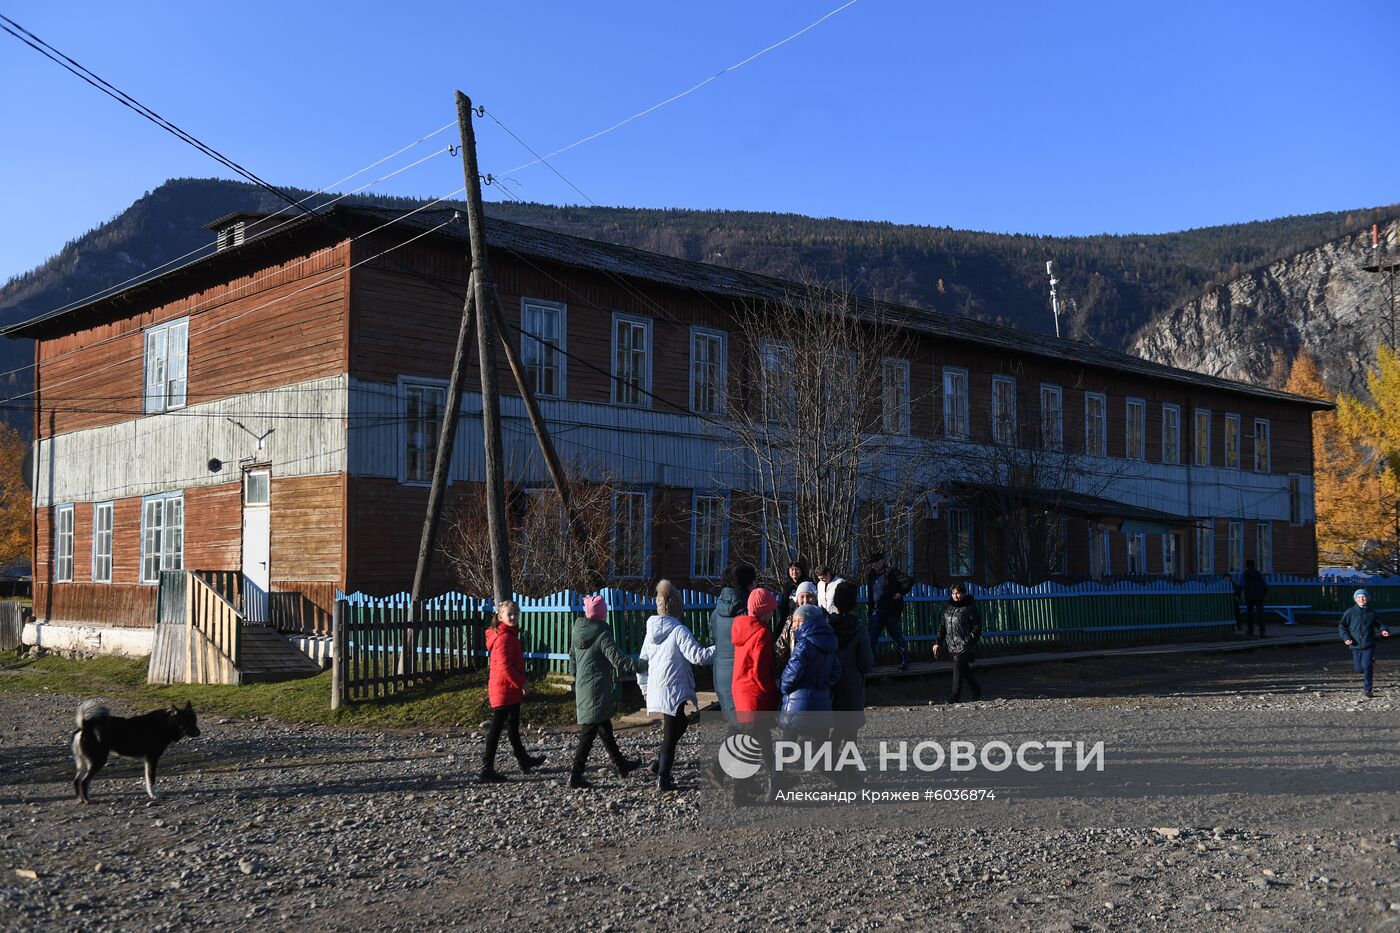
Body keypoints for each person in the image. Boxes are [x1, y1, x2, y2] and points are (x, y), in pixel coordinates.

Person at [638, 580, 716, 791]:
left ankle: (658, 762)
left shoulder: (651, 632)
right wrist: (723, 647)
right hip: (673, 688)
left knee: (679, 724)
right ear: (678, 608)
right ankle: (663, 777)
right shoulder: (678, 630)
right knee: (671, 735)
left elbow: (642, 662)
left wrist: (644, 687)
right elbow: (697, 656)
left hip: (657, 688)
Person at [568, 595, 646, 789]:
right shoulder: (602, 634)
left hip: (585, 686)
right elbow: (618, 660)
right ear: (603, 614)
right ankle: (576, 774)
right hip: (596, 688)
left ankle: (621, 765)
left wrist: (579, 678)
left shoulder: (578, 631)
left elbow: (572, 660)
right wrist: (644, 665)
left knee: (604, 727)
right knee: (589, 731)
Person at [480, 600, 546, 783]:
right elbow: (505, 667)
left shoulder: (509, 635)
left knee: (513, 728)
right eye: (509, 614)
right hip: (504, 689)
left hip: (508, 689)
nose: (513, 617)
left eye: (515, 614)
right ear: (500, 616)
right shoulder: (504, 638)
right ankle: (487, 768)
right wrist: (521, 684)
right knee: (496, 728)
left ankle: (524, 761)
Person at [778, 604, 842, 787]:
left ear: (809, 622)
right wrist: (822, 683)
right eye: (794, 621)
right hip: (820, 702)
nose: (795, 625)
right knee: (821, 748)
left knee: (786, 744)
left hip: (798, 703)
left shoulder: (804, 644)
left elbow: (792, 673)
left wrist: (784, 688)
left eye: (799, 621)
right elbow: (836, 671)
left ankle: (776, 782)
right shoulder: (828, 642)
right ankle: (847, 777)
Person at [706, 564, 757, 788]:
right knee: (749, 726)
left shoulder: (717, 611)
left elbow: (712, 638)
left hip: (722, 673)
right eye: (753, 582)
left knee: (738, 724)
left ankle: (719, 770)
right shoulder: (746, 610)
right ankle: (743, 782)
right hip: (741, 675)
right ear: (746, 584)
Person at [731, 587, 780, 804]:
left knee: (745, 744)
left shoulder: (740, 627)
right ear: (765, 612)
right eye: (771, 611)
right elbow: (761, 670)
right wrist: (773, 692)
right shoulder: (762, 633)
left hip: (740, 691)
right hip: (755, 694)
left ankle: (740, 792)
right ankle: (774, 789)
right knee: (765, 745)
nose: (773, 615)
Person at [828, 580, 873, 782]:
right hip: (851, 682)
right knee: (849, 731)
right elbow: (867, 661)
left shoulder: (827, 624)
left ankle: (828, 763)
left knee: (836, 727)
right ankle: (849, 770)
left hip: (829, 682)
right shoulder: (858, 627)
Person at [934, 582, 983, 704]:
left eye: (958, 593)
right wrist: (937, 642)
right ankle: (976, 691)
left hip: (965, 646)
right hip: (952, 645)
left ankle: (954, 696)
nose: (956, 596)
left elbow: (977, 627)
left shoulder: (969, 608)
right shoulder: (948, 609)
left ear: (964, 593)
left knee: (957, 666)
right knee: (964, 669)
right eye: (953, 593)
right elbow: (942, 627)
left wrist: (967, 641)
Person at [1339, 588, 1391, 699]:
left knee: (1367, 667)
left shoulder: (1372, 612)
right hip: (1355, 644)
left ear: (1367, 599)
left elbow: (1379, 623)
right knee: (1359, 669)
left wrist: (1384, 629)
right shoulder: (1350, 612)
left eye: (1363, 597)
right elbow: (1342, 626)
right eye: (1359, 597)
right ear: (1355, 599)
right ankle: (1369, 662)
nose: (1361, 599)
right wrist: (1346, 638)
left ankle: (1368, 690)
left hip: (1368, 643)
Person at [866, 552, 914, 670]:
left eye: (876, 561)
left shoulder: (891, 573)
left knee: (897, 636)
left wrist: (901, 593)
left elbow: (908, 580)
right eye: (872, 562)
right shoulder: (871, 575)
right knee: (871, 637)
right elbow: (871, 593)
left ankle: (905, 662)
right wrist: (870, 609)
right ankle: (869, 664)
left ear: (882, 561)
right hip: (876, 610)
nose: (874, 564)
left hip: (891, 611)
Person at [775, 581, 821, 669]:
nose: (805, 600)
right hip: (797, 668)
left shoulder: (822, 618)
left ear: (815, 598)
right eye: (802, 597)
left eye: (809, 596)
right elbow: (781, 646)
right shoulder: (791, 620)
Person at [1238, 559, 1269, 637]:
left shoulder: (1244, 574)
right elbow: (1265, 585)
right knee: (1260, 614)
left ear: (1246, 566)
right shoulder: (1259, 574)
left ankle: (1250, 630)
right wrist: (1264, 594)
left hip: (1249, 596)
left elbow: (1241, 585)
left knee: (1250, 614)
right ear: (1254, 565)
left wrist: (1237, 595)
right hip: (1259, 596)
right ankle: (1262, 631)